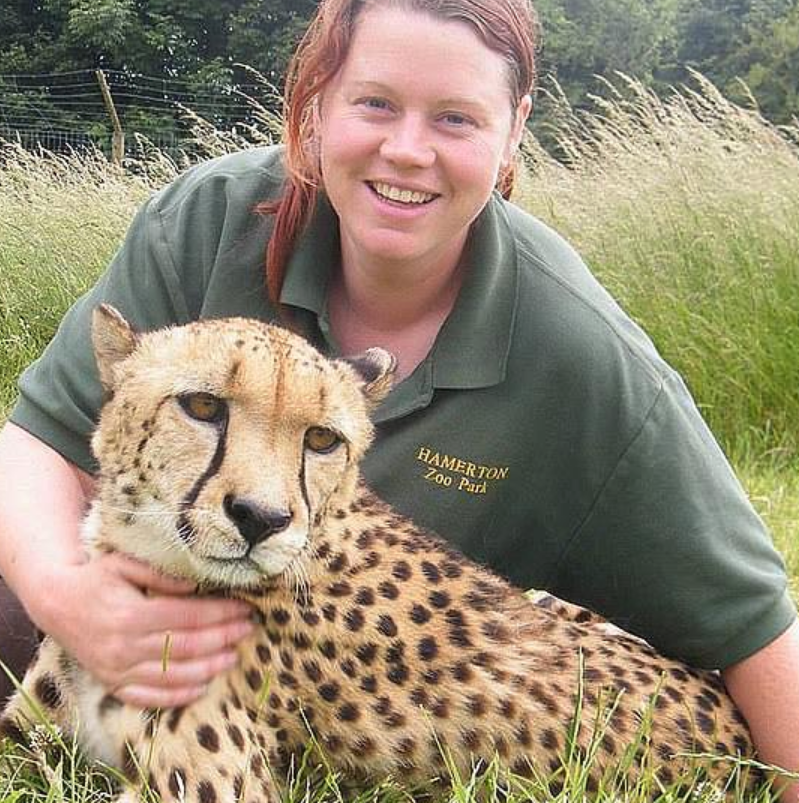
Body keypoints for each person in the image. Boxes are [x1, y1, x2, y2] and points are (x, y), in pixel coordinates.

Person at [1, 0, 798, 794]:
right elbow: (36, 442)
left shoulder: (584, 350)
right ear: (315, 103)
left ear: (514, 128)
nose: (408, 151)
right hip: (172, 571)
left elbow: (756, 628)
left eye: (455, 117)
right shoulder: (212, 215)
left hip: (522, 691)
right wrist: (66, 596)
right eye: (375, 103)